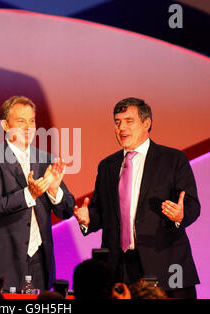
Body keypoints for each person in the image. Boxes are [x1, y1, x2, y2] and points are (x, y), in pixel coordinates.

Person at [74, 97, 200, 299]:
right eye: (117, 122)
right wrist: (89, 219)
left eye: (128, 121)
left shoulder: (173, 159)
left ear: (146, 123)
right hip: (121, 267)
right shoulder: (107, 166)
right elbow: (102, 212)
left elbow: (192, 205)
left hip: (166, 265)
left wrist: (180, 215)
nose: (121, 127)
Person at [0, 96, 75, 292]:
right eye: (21, 121)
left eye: (32, 121)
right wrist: (29, 194)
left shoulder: (46, 160)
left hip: (39, 262)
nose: (28, 127)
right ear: (5, 125)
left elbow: (67, 210)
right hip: (3, 261)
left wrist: (54, 190)